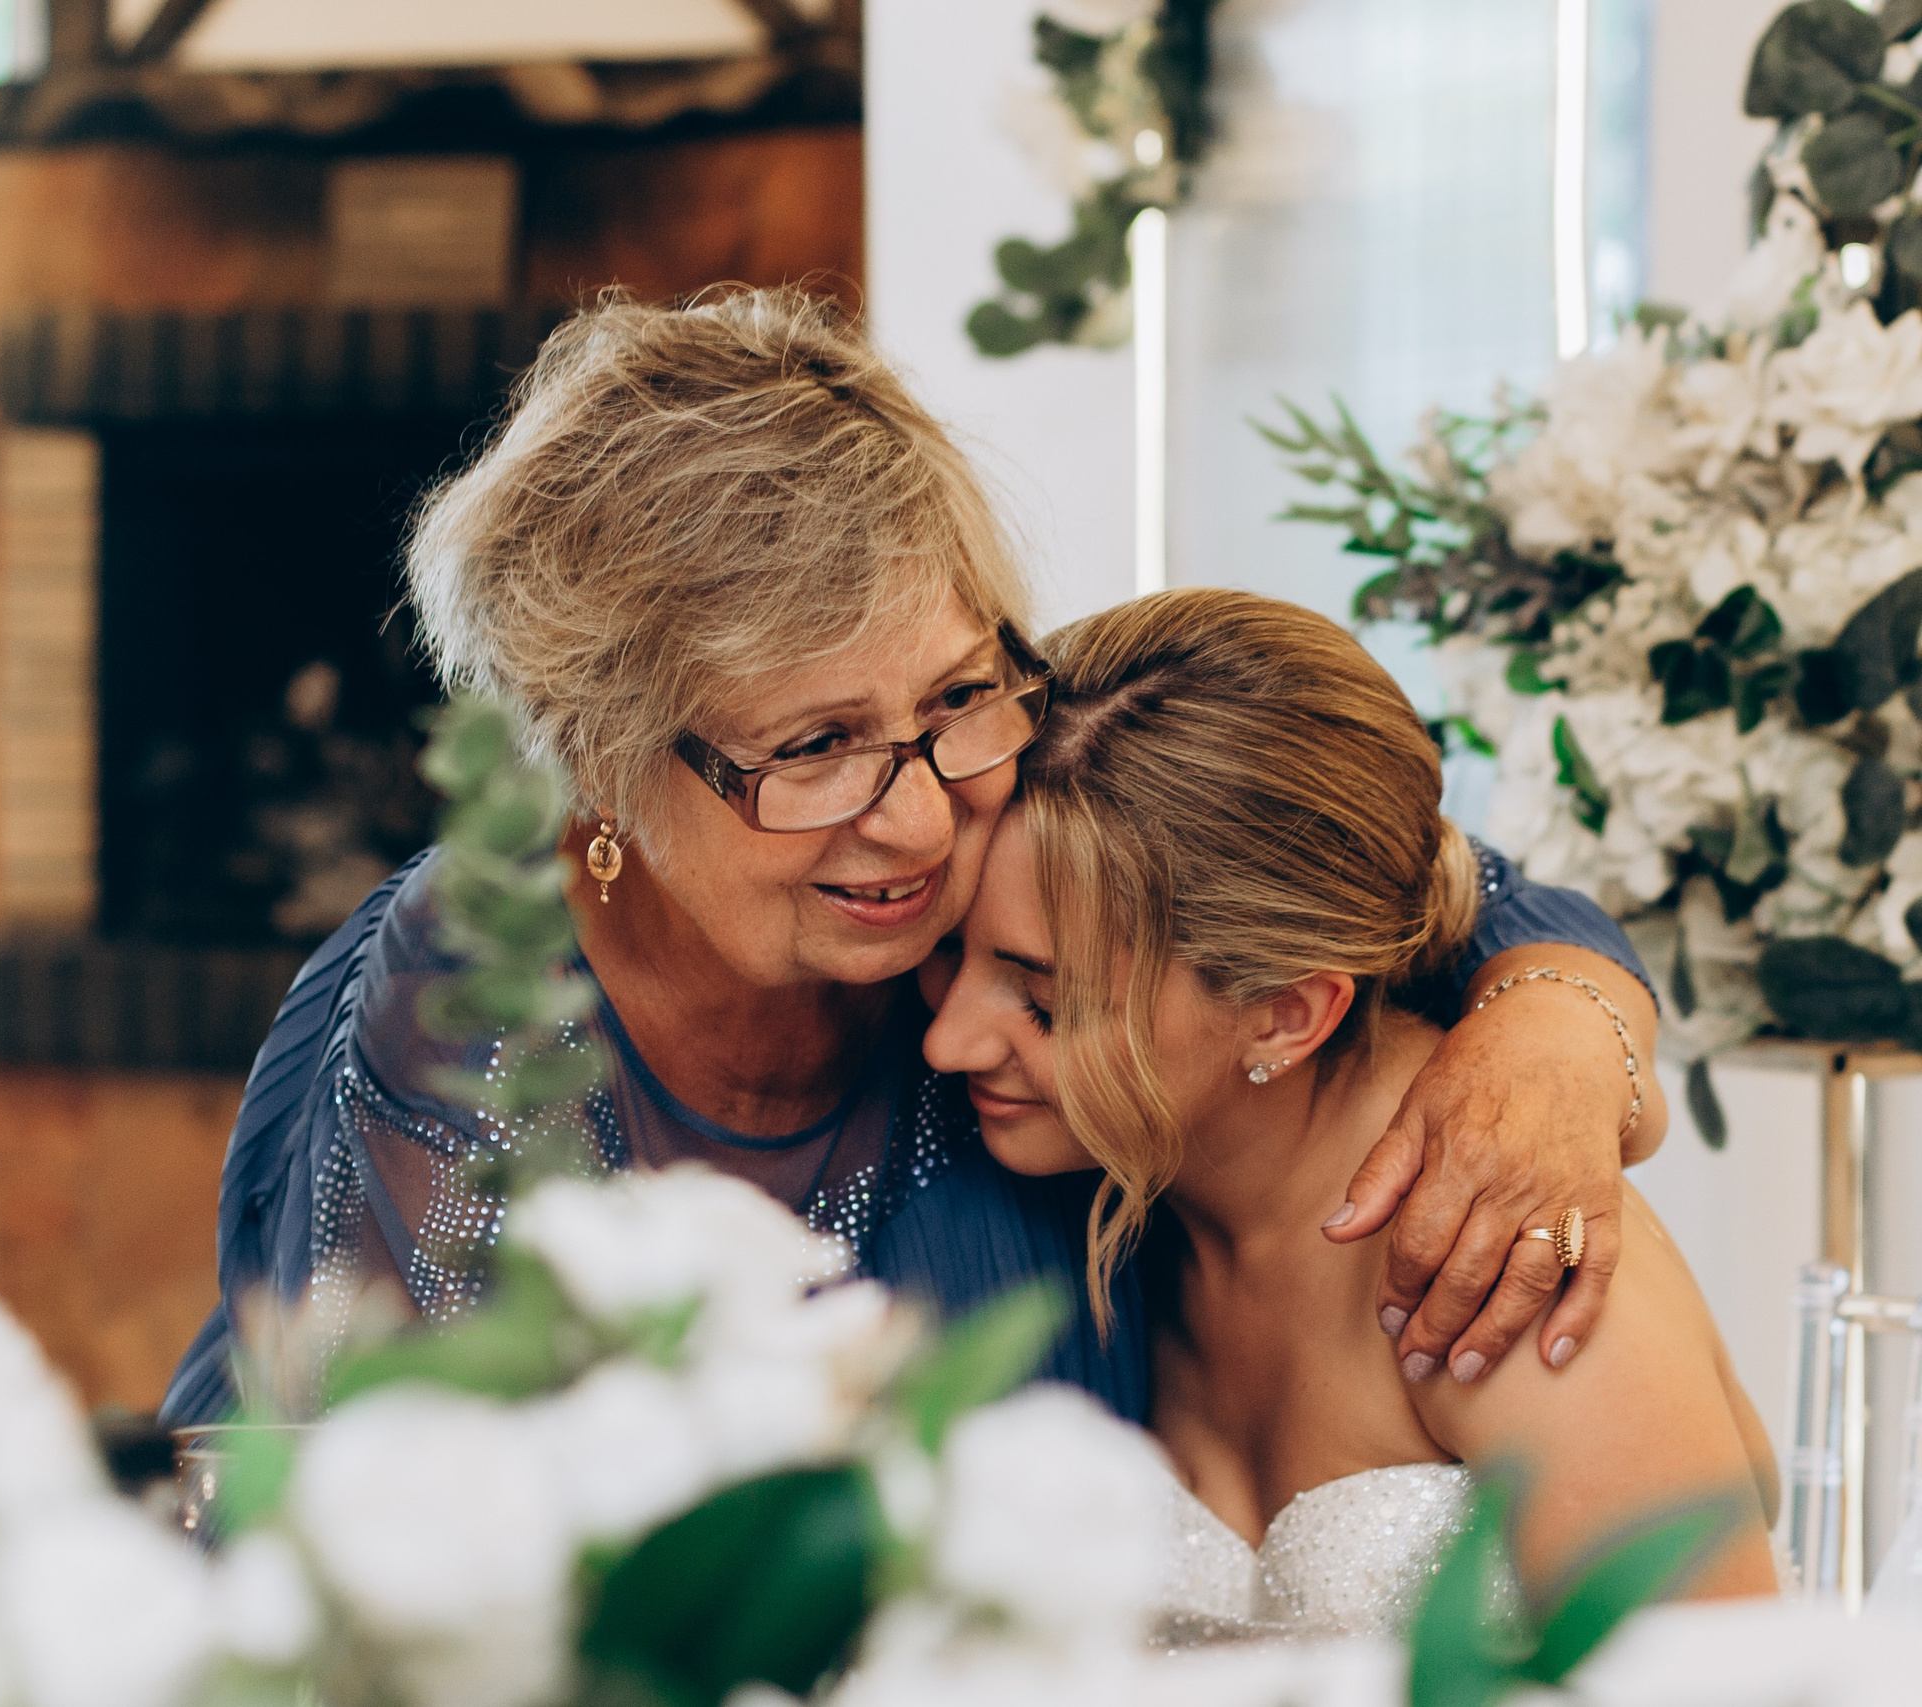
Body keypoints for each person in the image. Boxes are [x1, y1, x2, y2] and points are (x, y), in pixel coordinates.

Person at [162, 287, 1668, 1426]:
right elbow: (386, 1525)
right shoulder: (469, 988)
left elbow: (1348, 858)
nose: (922, 817)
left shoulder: (1011, 784)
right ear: (595, 762)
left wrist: (1560, 1017)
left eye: (954, 694)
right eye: (812, 749)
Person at [921, 589, 1775, 1641]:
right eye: (944, 955)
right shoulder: (1119, 1201)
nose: (946, 1041)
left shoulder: (1504, 1254)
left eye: (1046, 1005)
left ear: (1285, 1016)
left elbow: (1742, 1682)